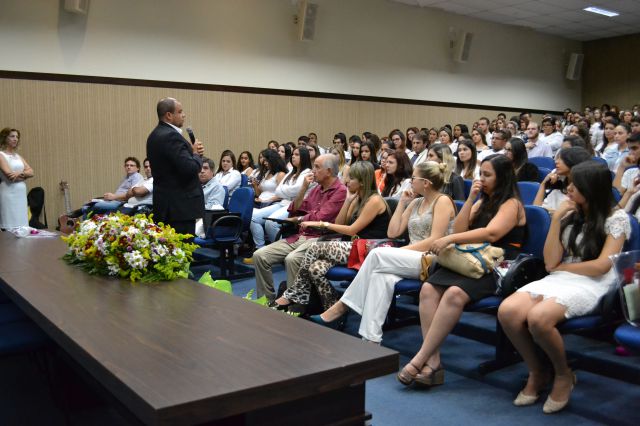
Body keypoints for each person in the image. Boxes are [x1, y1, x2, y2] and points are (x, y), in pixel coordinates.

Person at [498, 161, 630, 414]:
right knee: (508, 311)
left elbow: (602, 265)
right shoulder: (570, 213)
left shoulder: (617, 217)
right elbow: (550, 262)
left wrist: (564, 267)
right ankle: (538, 371)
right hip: (563, 275)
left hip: (595, 281)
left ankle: (563, 374)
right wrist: (557, 220)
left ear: (591, 188)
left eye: (575, 185)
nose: (568, 188)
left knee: (539, 318)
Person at [397, 154, 526, 387]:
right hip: (469, 259)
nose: (481, 179)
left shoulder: (512, 204)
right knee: (428, 289)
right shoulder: (483, 201)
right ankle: (433, 361)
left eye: (487, 175)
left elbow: (491, 234)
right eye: (480, 174)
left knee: (454, 294)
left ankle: (420, 358)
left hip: (496, 265)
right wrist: (471, 199)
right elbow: (460, 228)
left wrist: (450, 239)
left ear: (503, 177)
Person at [311, 161, 456, 341]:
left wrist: (402, 251)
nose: (410, 181)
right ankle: (370, 340)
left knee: (377, 254)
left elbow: (435, 240)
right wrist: (402, 203)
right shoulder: (416, 202)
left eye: (413, 178)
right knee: (380, 277)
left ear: (425, 183)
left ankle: (341, 307)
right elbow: (392, 233)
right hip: (410, 258)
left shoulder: (442, 201)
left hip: (432, 259)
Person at [272, 161, 391, 312]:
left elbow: (351, 230)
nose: (346, 181)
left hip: (368, 249)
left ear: (362, 182)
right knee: (315, 269)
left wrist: (322, 224)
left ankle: (295, 293)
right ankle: (332, 308)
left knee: (315, 248)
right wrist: (348, 201)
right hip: (352, 247)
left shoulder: (374, 200)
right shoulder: (356, 199)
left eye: (351, 178)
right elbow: (340, 223)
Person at [253, 154, 347, 302]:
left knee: (292, 259)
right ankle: (266, 300)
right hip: (301, 236)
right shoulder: (316, 189)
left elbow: (320, 218)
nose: (312, 170)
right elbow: (294, 208)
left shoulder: (340, 191)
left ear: (329, 171)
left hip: (322, 239)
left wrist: (299, 219)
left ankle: (294, 306)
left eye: (317, 167)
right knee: (260, 255)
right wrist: (303, 188)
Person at [146, 97, 204, 235]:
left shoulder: (154, 135)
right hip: (180, 208)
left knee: (168, 247)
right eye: (180, 111)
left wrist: (191, 152)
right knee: (182, 247)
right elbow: (190, 168)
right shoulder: (172, 136)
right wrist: (196, 154)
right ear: (169, 115)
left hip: (164, 205)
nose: (184, 115)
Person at [249, 147, 310, 251]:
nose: (293, 156)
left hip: (294, 205)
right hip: (282, 203)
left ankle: (279, 251)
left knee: (271, 223)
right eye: (293, 154)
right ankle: (260, 248)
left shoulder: (307, 173)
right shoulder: (291, 172)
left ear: (304, 157)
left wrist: (285, 191)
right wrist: (286, 191)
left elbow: (296, 189)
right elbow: (278, 191)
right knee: (252, 217)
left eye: (297, 154)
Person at [533, 147, 591, 213]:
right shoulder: (557, 191)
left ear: (574, 162)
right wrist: (543, 184)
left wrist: (553, 212)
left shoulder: (582, 195)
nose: (556, 162)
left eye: (562, 159)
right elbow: (536, 211)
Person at [0, 128, 33, 229]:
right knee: (10, 225)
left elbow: (31, 172)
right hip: (8, 192)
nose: (15, 139)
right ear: (5, 138)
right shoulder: (1, 155)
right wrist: (25, 175)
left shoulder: (18, 156)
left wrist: (20, 173)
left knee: (22, 224)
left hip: (20, 194)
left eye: (17, 137)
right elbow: (10, 176)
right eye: (12, 136)